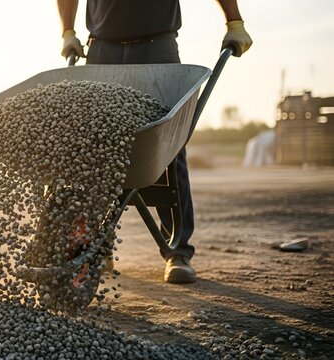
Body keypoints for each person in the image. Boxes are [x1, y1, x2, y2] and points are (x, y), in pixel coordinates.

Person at [57, 0, 252, 284]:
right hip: (101, 48)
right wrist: (67, 31)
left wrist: (234, 22)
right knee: (95, 146)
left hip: (156, 46)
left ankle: (177, 252)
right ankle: (96, 243)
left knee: (168, 144)